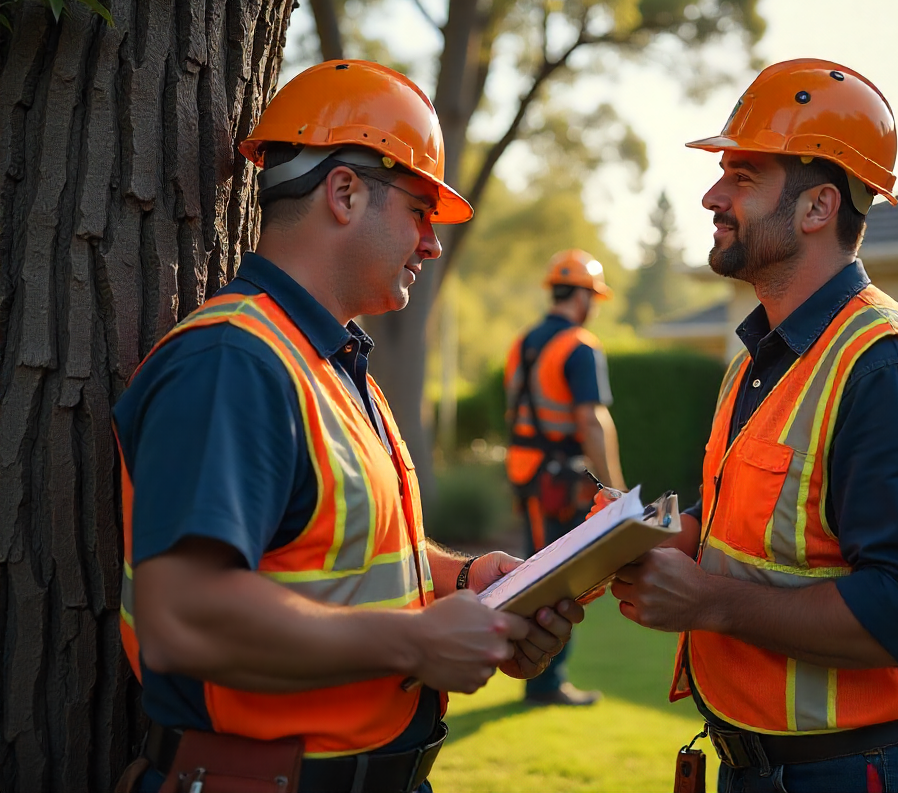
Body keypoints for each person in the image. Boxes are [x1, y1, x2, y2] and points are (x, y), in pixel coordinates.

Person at [113, 60, 584, 793]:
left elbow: (345, 559)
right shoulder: (232, 360)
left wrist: (466, 580)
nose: (432, 243)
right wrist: (416, 643)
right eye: (421, 210)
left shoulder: (328, 360)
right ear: (344, 191)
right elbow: (185, 617)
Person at [607, 59, 898, 792]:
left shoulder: (891, 373)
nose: (712, 195)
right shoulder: (765, 355)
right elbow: (755, 526)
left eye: (743, 176)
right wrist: (646, 537)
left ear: (817, 208)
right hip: (773, 767)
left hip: (869, 771)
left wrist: (708, 602)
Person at [502, 250, 626, 706]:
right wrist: (615, 491)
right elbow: (592, 422)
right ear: (581, 296)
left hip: (527, 473)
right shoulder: (580, 346)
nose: (594, 305)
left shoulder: (523, 342)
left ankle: (543, 680)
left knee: (541, 570)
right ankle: (545, 684)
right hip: (559, 480)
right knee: (558, 579)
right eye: (593, 296)